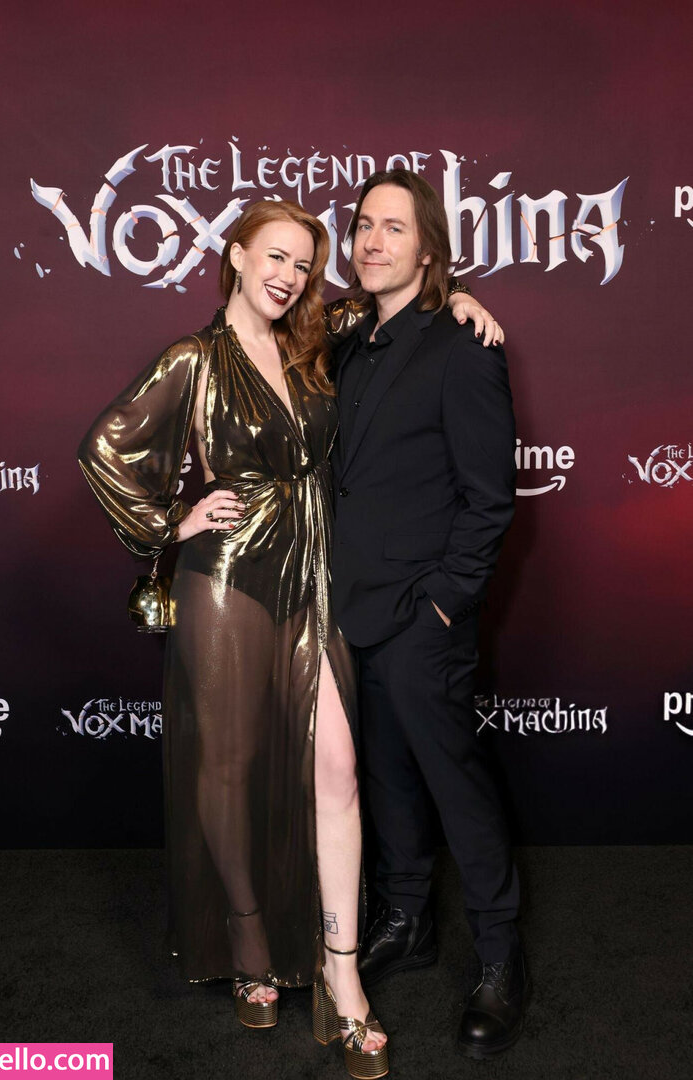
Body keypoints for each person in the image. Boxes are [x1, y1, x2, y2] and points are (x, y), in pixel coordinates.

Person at [78, 197, 499, 1078]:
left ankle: (342, 974)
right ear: (235, 255)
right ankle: (250, 949)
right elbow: (104, 449)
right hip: (229, 578)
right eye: (274, 256)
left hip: (314, 576)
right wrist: (172, 522)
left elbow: (404, 302)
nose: (289, 276)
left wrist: (460, 298)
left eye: (304, 264)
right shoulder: (193, 358)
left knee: (337, 770)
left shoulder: (320, 341)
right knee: (228, 770)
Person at [328, 169, 526, 1060]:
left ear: (429, 248)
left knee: (454, 784)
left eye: (394, 228)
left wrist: (446, 603)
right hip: (351, 608)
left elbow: (490, 499)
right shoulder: (344, 340)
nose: (372, 241)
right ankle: (407, 920)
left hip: (422, 614)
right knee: (386, 778)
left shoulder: (463, 346)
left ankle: (501, 957)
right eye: (363, 225)